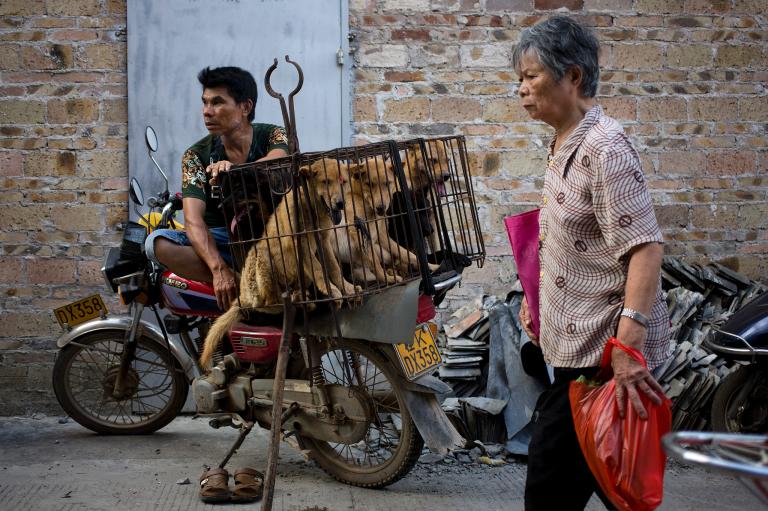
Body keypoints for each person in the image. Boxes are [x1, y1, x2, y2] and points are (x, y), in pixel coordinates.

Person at [512, 16, 672, 511]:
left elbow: (644, 247)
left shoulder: (605, 148)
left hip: (602, 357)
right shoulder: (563, 140)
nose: (521, 89)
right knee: (615, 483)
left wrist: (628, 344)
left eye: (531, 76)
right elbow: (571, 240)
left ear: (573, 76)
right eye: (519, 78)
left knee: (551, 487)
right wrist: (536, 303)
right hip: (573, 349)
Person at [145, 66, 289, 311]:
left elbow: (279, 159)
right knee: (156, 243)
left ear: (245, 107)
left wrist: (235, 171)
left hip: (272, 235)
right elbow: (193, 220)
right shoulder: (195, 156)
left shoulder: (273, 134)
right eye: (205, 103)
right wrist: (218, 269)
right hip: (224, 243)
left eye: (217, 103)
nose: (207, 112)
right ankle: (240, 285)